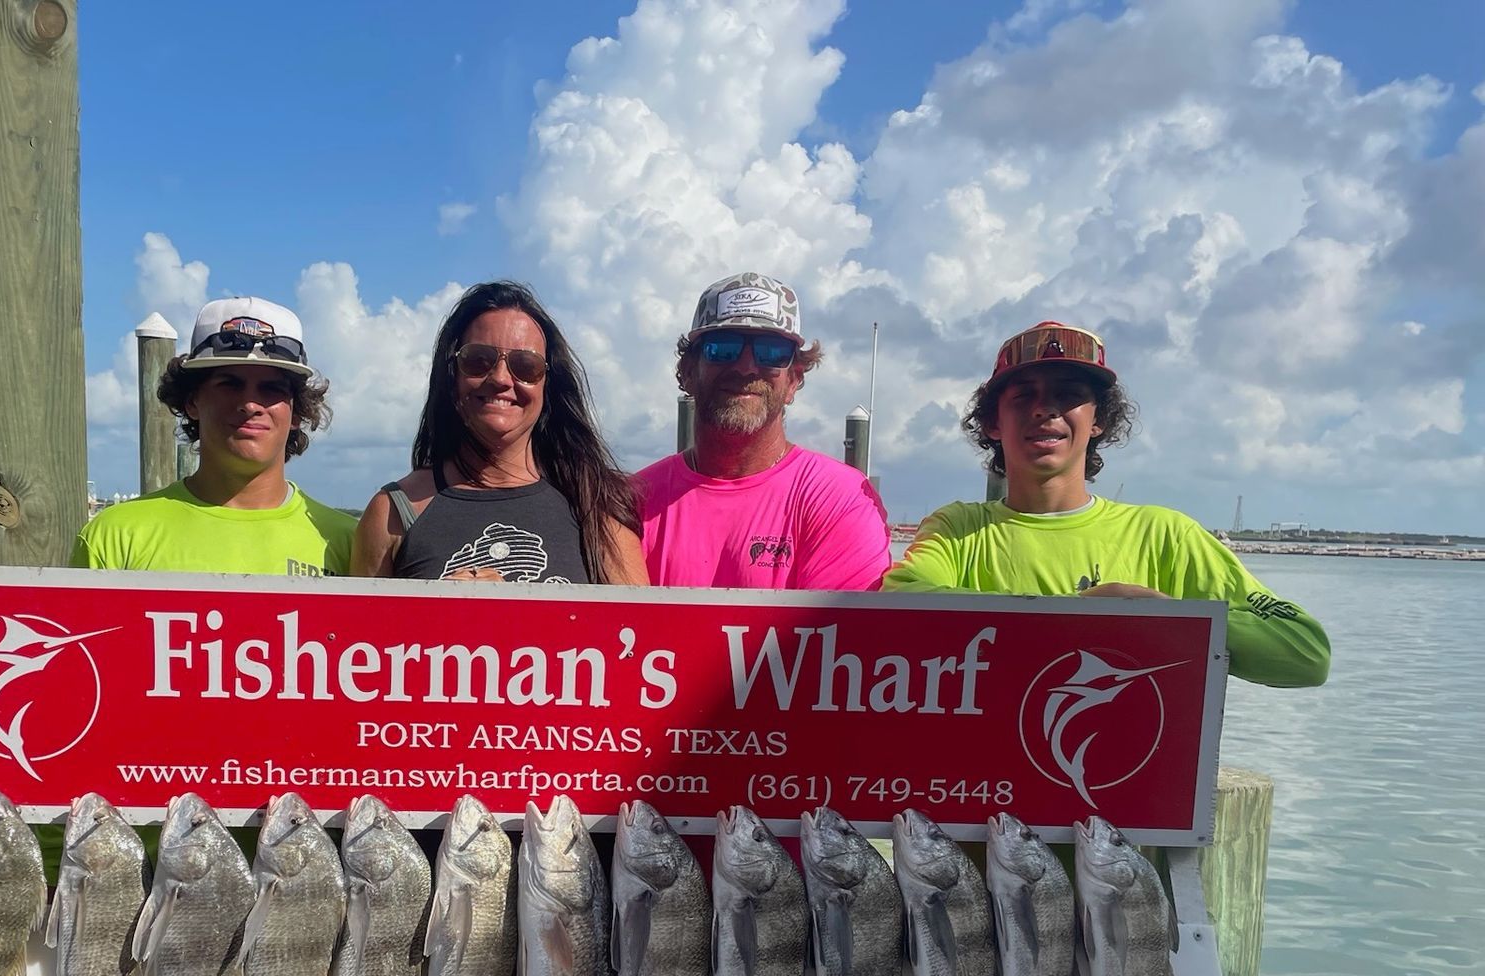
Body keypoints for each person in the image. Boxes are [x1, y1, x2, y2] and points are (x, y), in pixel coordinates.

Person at [883, 320, 1330, 688]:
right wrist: (1086, 617)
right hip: (990, 790)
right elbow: (898, 606)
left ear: (1099, 420)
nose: (1046, 409)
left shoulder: (1165, 535)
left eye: (1069, 394)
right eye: (1024, 396)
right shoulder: (957, 529)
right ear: (993, 422)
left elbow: (1304, 653)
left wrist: (1175, 620)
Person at [352, 279, 646, 585]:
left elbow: (638, 630)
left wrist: (505, 615)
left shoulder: (596, 506)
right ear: (452, 376)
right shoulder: (393, 514)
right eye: (478, 360)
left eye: (526, 366)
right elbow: (360, 632)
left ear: (549, 385)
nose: (501, 378)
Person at [638, 271, 889, 591]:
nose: (745, 367)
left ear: (794, 380)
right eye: (722, 348)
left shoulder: (841, 500)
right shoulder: (628, 503)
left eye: (771, 352)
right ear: (688, 371)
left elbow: (843, 635)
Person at [71, 296, 353, 576]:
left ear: (297, 412)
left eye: (272, 389)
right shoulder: (113, 538)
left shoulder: (348, 543)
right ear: (192, 401)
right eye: (230, 384)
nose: (250, 404)